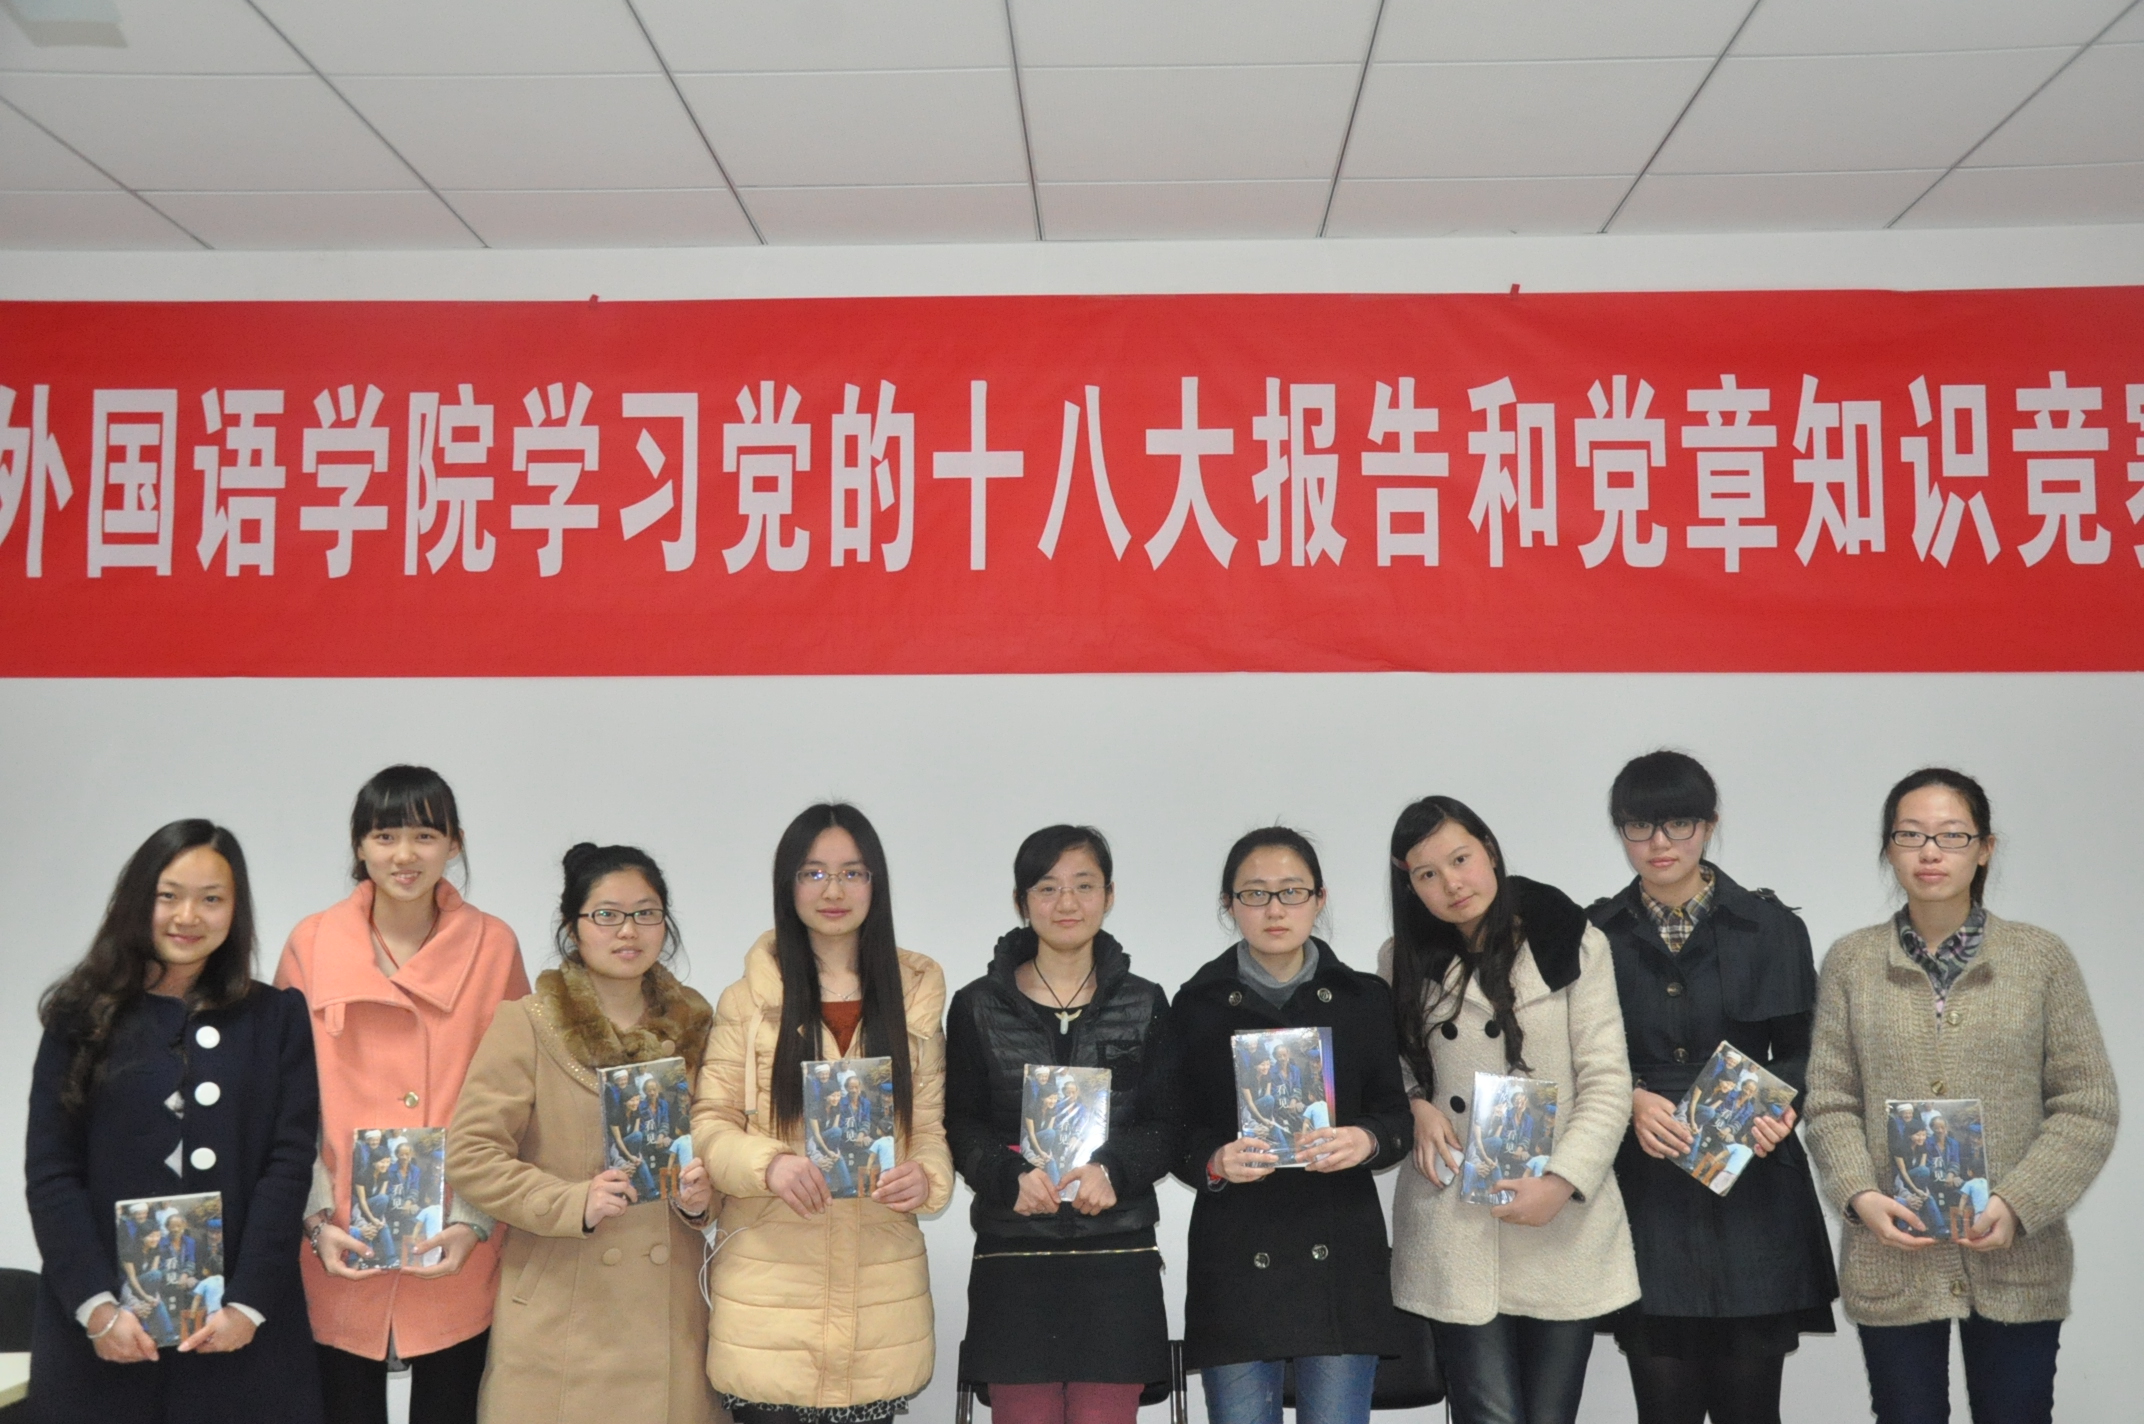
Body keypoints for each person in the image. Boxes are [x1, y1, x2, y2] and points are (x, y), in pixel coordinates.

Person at [1807, 767, 2119, 1424]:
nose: (1930, 852)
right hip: (1893, 1253)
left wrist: (2019, 1202)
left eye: (1952, 835)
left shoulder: (2040, 958)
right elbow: (1830, 1101)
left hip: (2016, 1256)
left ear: (1985, 849)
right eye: (1911, 835)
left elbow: (2087, 1105)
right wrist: (1860, 1196)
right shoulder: (1852, 962)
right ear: (1889, 848)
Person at [24, 820, 323, 1422]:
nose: (189, 916)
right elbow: (52, 1173)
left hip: (242, 1337)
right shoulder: (80, 1015)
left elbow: (289, 1164)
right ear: (138, 900)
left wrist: (248, 1305)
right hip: (105, 1338)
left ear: (235, 910)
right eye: (169, 896)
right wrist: (96, 1308)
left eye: (211, 899)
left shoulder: (276, 1017)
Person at [1586, 751, 1837, 1424]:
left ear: (1710, 825)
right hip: (1646, 1192)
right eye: (1639, 826)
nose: (1659, 843)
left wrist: (1780, 1105)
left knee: (1751, 1411)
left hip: (1754, 1193)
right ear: (1620, 831)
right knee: (1661, 1409)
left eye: (1679, 824)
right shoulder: (1593, 935)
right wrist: (1628, 1098)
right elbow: (1573, 1057)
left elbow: (1811, 1050)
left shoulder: (1772, 927)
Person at [276, 766, 529, 1424]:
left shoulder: (493, 944)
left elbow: (515, 1098)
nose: (404, 855)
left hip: (455, 1238)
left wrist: (474, 1220)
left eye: (425, 835)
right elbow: (284, 1103)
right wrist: (314, 1221)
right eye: (385, 836)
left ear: (455, 843)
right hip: (338, 1242)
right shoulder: (311, 943)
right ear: (359, 846)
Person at [691, 803, 953, 1424]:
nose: (833, 891)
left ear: (876, 884)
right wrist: (768, 1164)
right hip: (767, 1304)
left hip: (879, 1306)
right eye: (813, 873)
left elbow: (929, 1129)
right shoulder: (746, 1002)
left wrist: (926, 1177)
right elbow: (708, 1123)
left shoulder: (913, 1000)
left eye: (852, 873)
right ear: (788, 885)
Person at [1382, 796, 1638, 1424]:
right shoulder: (1399, 959)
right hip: (1453, 1219)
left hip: (1560, 1218)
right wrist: (1414, 1105)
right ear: (1410, 884)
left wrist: (1563, 1181)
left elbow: (1607, 1081)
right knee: (1488, 1414)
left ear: (1490, 852)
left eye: (1460, 859)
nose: (1451, 884)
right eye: (1427, 874)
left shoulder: (1571, 941)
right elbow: (1386, 1068)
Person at [446, 842, 722, 1424]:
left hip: (671, 1315)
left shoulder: (698, 1024)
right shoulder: (527, 1024)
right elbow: (471, 1154)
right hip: (561, 1312)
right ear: (574, 927)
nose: (629, 930)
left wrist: (704, 1199)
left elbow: (722, 1136)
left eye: (646, 913)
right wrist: (572, 1201)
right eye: (607, 914)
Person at [1155, 826, 1412, 1424]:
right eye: (1255, 893)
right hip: (1236, 1252)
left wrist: (1366, 1140)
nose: (1275, 909)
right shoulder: (1194, 1004)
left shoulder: (1364, 998)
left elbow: (1395, 1114)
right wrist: (1214, 1161)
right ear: (1229, 905)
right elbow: (1173, 1129)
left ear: (1319, 900)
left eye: (1292, 891)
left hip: (1340, 1255)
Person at [944, 824, 1174, 1424]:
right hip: (1013, 1257)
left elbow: (1167, 1124)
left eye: (1084, 885)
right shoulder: (976, 1005)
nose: (1066, 902)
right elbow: (960, 1123)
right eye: (1047, 887)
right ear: (1022, 901)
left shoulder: (1146, 1002)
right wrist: (1007, 1177)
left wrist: (1114, 1170)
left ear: (1109, 895)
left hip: (1117, 1255)